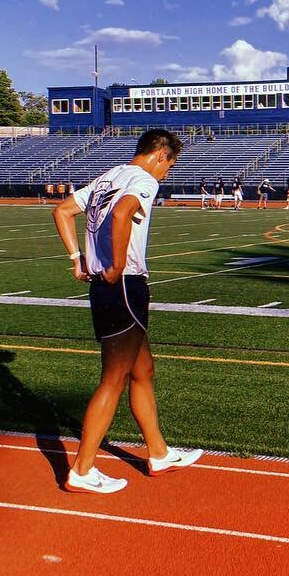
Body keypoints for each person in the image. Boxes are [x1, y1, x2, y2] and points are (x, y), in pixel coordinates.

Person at [51, 128, 201, 494]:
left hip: (107, 287)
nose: (168, 172)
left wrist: (77, 259)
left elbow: (63, 210)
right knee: (113, 379)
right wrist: (117, 265)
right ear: (161, 154)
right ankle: (82, 470)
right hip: (123, 284)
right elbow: (122, 214)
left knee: (143, 370)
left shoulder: (109, 176)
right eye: (171, 164)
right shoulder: (143, 179)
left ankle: (159, 453)